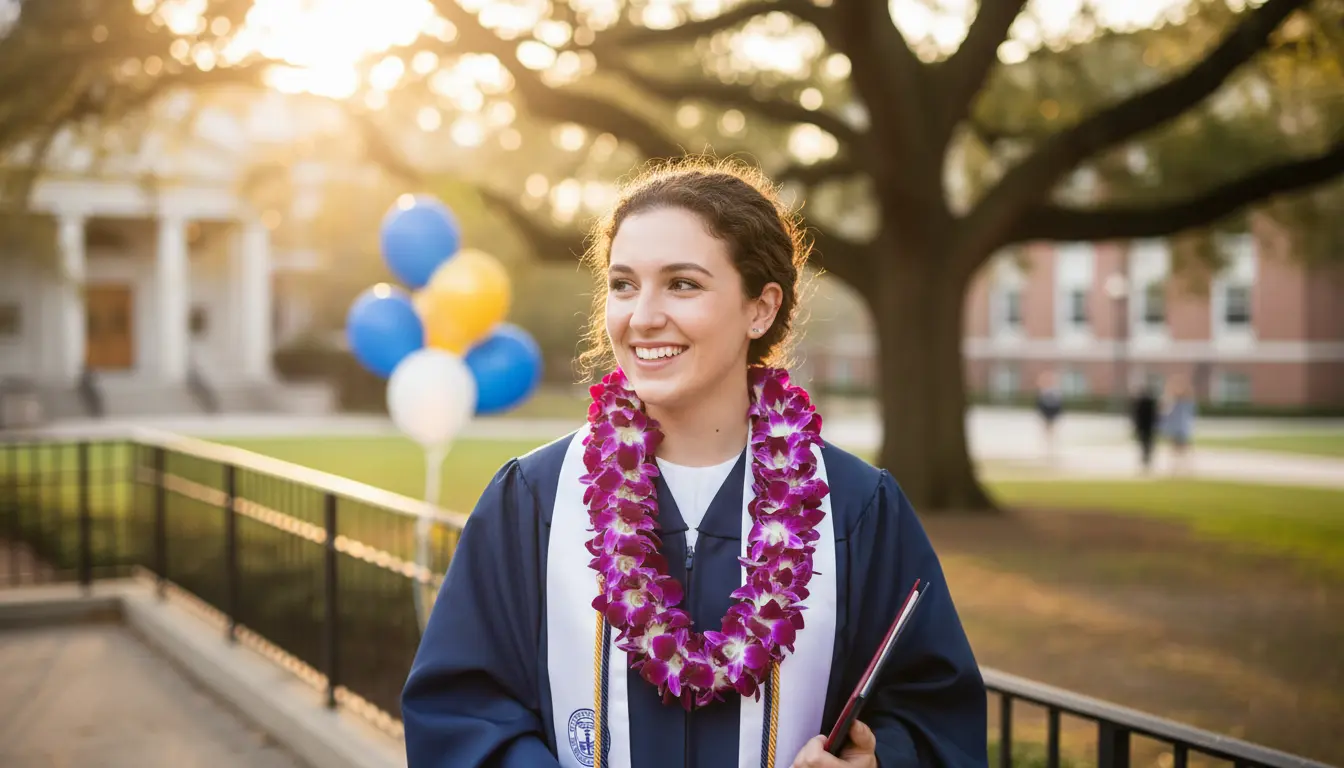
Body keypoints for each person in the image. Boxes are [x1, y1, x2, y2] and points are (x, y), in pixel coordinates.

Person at [400, 159, 987, 768]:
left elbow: (936, 716)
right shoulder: (536, 500)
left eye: (682, 283)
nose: (643, 315)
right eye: (624, 284)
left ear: (760, 308)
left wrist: (882, 760)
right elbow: (461, 712)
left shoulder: (854, 508)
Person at [1131, 383, 1159, 473]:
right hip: (1149, 428)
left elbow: (1136, 416)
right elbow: (1155, 416)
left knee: (1144, 446)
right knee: (1148, 446)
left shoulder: (1139, 403)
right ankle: (1147, 462)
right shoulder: (1151, 403)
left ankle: (1145, 462)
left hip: (1143, 428)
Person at [1035, 371, 1063, 463]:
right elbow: (1039, 406)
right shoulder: (1043, 393)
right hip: (1046, 418)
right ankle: (1046, 452)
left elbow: (1059, 406)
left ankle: (1053, 452)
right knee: (1046, 435)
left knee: (1053, 435)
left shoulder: (1055, 393)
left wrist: (1056, 416)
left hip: (1053, 418)